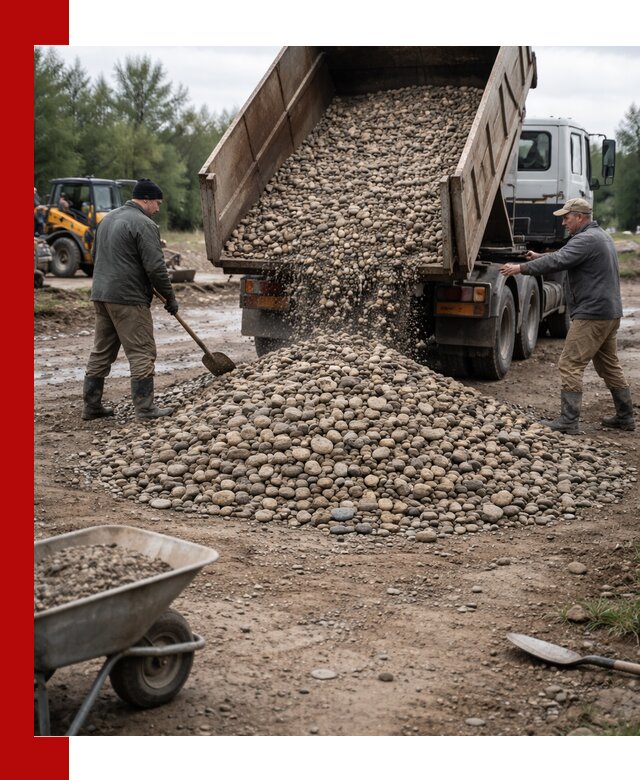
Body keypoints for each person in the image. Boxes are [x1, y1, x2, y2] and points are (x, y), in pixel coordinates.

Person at [500, 197, 635, 434]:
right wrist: (538, 257)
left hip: (592, 314)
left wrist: (520, 268)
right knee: (609, 365)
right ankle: (625, 417)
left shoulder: (586, 239)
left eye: (567, 217)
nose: (564, 222)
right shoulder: (599, 236)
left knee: (570, 363)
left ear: (580, 217)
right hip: (608, 312)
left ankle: (569, 421)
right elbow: (564, 256)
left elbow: (560, 260)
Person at [82, 178, 180, 421]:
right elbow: (156, 268)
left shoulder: (107, 219)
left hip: (101, 295)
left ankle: (91, 406)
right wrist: (170, 297)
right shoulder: (144, 224)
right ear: (146, 200)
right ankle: (146, 409)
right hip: (128, 298)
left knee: (101, 351)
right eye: (157, 203)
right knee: (142, 351)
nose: (158, 208)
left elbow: (96, 255)